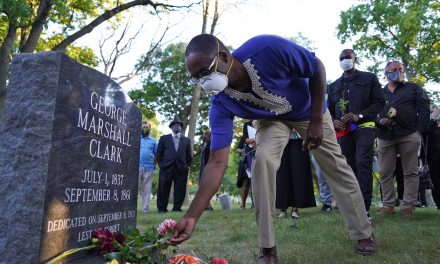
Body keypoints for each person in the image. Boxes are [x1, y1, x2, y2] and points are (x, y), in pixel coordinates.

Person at [170, 34, 377, 263]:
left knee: (335, 165)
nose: (203, 80)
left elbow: (316, 67)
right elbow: (217, 162)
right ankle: (267, 248)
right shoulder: (220, 103)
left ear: (224, 56)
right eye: (196, 77)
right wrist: (192, 216)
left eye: (205, 71)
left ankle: (363, 233)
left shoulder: (266, 49)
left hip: (310, 111)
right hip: (270, 121)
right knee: (262, 162)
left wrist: (317, 120)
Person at [328, 49, 385, 221]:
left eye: (348, 57)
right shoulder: (334, 86)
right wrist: (332, 121)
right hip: (344, 132)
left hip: (365, 127)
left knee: (363, 163)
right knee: (348, 168)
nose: (345, 60)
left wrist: (359, 115)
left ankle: (364, 210)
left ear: (355, 58)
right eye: (341, 58)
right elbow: (328, 110)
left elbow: (380, 103)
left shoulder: (369, 78)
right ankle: (352, 209)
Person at [376, 61, 430, 219]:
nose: (398, 72)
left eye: (401, 69)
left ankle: (408, 206)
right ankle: (388, 205)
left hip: (409, 135)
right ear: (386, 72)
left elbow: (424, 109)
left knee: (410, 171)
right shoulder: (379, 92)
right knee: (385, 172)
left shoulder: (414, 88)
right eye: (394, 69)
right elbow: (373, 111)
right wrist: (379, 120)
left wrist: (419, 131)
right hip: (385, 136)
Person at [276, 130, 316, 219]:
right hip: (281, 140)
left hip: (299, 140)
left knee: (297, 173)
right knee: (282, 174)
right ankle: (283, 208)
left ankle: (295, 208)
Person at [156, 119, 192, 213]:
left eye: (179, 125)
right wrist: (161, 165)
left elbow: (189, 155)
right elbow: (159, 153)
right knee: (163, 189)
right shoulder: (164, 138)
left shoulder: (186, 140)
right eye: (175, 125)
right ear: (171, 127)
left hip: (181, 168)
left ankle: (177, 208)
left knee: (180, 189)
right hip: (166, 168)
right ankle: (162, 209)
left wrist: (187, 166)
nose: (177, 127)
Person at [138, 121, 158, 213]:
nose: (145, 128)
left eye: (147, 127)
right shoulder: (137, 139)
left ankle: (144, 209)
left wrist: (154, 165)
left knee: (147, 190)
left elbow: (157, 154)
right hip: (137, 167)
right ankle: (131, 209)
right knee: (134, 189)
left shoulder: (153, 141)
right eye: (143, 127)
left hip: (149, 168)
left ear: (150, 128)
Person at [236, 120, 255, 209]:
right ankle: (243, 204)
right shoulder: (243, 138)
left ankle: (254, 203)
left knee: (254, 182)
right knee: (246, 182)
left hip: (256, 157)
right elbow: (238, 149)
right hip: (246, 162)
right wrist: (242, 151)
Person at [425, 106, 440, 212]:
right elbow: (425, 131)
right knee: (436, 182)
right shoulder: (432, 125)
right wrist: (433, 117)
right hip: (434, 159)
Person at [199, 130, 214, 211]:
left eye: (207, 134)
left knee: (208, 186)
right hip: (202, 168)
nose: (204, 135)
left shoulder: (211, 144)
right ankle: (204, 204)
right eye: (204, 134)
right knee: (202, 186)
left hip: (209, 168)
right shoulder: (204, 145)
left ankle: (207, 204)